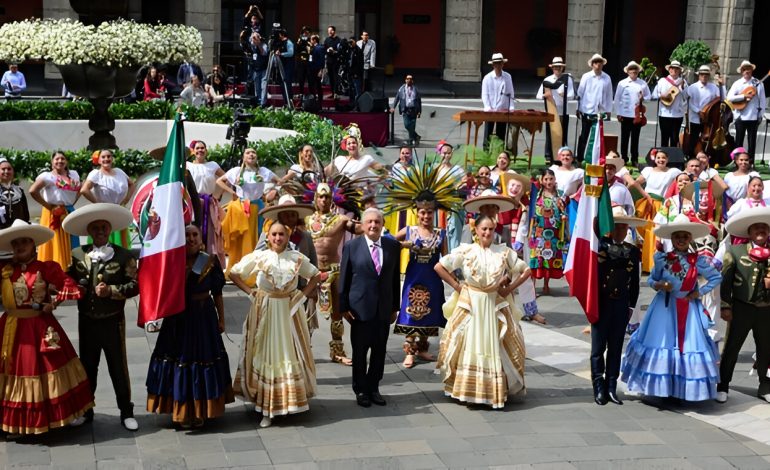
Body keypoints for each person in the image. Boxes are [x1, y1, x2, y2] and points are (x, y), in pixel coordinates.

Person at [0, 219, 93, 434]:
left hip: (39, 327)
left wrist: (54, 303)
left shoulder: (45, 268)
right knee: (10, 371)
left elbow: (69, 286)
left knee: (48, 369)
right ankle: (10, 419)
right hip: (11, 328)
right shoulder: (5, 271)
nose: (20, 246)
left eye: (24, 241)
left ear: (34, 244)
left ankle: (56, 415)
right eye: (16, 243)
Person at [621, 214, 721, 401]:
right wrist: (660, 285)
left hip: (688, 308)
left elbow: (716, 277)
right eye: (677, 237)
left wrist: (698, 293)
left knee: (687, 346)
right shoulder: (661, 258)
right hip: (664, 308)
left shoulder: (697, 260)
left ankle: (683, 390)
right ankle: (663, 388)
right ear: (672, 239)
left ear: (690, 238)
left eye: (685, 236)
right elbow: (652, 279)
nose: (681, 240)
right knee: (663, 343)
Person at [230, 222, 321, 427]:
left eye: (281, 234)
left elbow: (316, 275)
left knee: (288, 354)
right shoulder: (260, 256)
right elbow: (235, 273)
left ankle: (288, 402)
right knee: (267, 353)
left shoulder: (296, 258)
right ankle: (267, 408)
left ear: (287, 237)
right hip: (266, 312)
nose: (278, 238)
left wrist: (302, 295)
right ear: (268, 237)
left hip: (289, 312)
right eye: (274, 235)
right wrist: (250, 292)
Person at [435, 214, 529, 408]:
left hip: (492, 303)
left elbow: (526, 270)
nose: (487, 233)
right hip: (472, 304)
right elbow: (440, 266)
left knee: (494, 344)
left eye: (491, 229)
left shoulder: (502, 251)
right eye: (483, 229)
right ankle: (467, 389)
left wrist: (508, 289)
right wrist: (457, 285)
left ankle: (491, 390)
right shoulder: (467, 250)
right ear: (475, 230)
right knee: (468, 343)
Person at [146, 225, 234, 428]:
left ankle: (203, 410)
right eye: (187, 235)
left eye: (195, 234)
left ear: (201, 239)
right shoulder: (172, 260)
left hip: (203, 318)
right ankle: (181, 410)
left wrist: (221, 319)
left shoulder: (210, 261)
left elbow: (218, 293)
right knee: (179, 359)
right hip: (177, 319)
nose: (191, 238)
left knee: (203, 360)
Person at [63, 204, 140, 431]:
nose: (99, 231)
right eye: (95, 228)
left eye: (103, 228)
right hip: (86, 320)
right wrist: (76, 288)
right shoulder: (78, 254)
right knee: (88, 367)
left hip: (112, 320)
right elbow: (66, 279)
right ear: (89, 231)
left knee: (118, 367)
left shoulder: (124, 255)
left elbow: (135, 285)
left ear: (109, 230)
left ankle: (126, 411)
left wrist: (112, 291)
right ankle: (87, 411)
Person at [382, 158, 463, 369]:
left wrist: (455, 281)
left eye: (429, 212)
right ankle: (409, 351)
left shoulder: (440, 233)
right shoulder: (409, 230)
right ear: (417, 213)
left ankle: (424, 347)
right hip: (414, 277)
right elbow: (389, 242)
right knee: (411, 311)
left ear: (434, 213)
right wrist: (408, 244)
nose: (426, 216)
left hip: (433, 279)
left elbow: (446, 260)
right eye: (422, 212)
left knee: (431, 310)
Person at [339, 208, 401, 408]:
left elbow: (394, 279)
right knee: (359, 352)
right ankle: (361, 389)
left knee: (379, 351)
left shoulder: (392, 246)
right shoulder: (352, 246)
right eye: (370, 222)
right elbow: (344, 278)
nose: (373, 225)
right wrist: (343, 306)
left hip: (383, 308)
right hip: (359, 309)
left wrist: (395, 307)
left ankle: (374, 387)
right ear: (363, 225)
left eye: (377, 222)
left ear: (382, 224)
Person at [590, 205, 645, 405]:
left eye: (624, 228)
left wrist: (631, 305)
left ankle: (611, 386)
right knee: (598, 348)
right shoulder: (600, 246)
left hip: (621, 303)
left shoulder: (632, 251)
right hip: (602, 302)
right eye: (617, 227)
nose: (621, 231)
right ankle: (598, 386)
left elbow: (635, 281)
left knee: (615, 347)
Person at [717, 206, 770, 403]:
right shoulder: (736, 252)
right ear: (749, 232)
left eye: (763, 227)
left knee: (766, 349)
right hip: (742, 307)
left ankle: (765, 386)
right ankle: (723, 386)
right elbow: (725, 282)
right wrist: (725, 305)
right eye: (756, 228)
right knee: (732, 347)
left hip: (766, 310)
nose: (760, 231)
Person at [305, 182, 361, 365]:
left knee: (337, 313)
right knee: (305, 313)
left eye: (327, 196)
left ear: (332, 199)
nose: (323, 200)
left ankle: (337, 351)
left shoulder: (340, 220)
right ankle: (302, 350)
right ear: (315, 198)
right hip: (310, 272)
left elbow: (358, 229)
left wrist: (370, 221)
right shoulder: (306, 220)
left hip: (334, 270)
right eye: (320, 196)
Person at [257, 195, 318, 333]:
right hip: (276, 293)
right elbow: (257, 258)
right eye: (286, 215)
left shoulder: (305, 237)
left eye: (292, 215)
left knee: (300, 330)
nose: (290, 218)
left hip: (300, 291)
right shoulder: (269, 235)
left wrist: (312, 289)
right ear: (280, 217)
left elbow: (314, 263)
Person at [217, 148, 279, 276]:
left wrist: (274, 191)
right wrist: (232, 192)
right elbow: (219, 181)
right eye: (248, 153)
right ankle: (239, 271)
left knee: (258, 238)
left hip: (258, 207)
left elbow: (280, 181)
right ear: (243, 157)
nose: (251, 154)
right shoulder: (236, 171)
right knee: (241, 240)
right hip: (241, 208)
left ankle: (256, 272)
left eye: (254, 152)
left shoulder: (263, 172)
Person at [29, 151, 81, 270]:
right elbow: (33, 191)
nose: (60, 161)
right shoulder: (47, 176)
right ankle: (56, 270)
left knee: (71, 240)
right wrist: (49, 206)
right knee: (55, 241)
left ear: (66, 162)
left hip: (68, 210)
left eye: (62, 159)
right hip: (53, 212)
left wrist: (72, 203)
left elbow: (81, 188)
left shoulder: (73, 175)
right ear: (52, 163)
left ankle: (72, 270)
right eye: (57, 159)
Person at [633, 149, 682, 272]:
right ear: (654, 159)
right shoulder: (648, 170)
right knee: (648, 233)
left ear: (667, 160)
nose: (661, 160)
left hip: (662, 204)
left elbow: (684, 177)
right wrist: (646, 195)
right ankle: (647, 264)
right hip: (648, 203)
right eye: (658, 157)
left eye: (663, 158)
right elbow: (636, 183)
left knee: (658, 233)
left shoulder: (672, 172)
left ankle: (656, 264)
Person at [80, 149, 136, 247]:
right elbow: (84, 190)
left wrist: (125, 200)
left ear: (112, 158)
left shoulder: (119, 172)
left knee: (120, 240)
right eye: (103, 157)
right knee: (104, 235)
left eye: (109, 156)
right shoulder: (96, 174)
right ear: (99, 160)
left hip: (118, 210)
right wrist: (97, 203)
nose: (106, 159)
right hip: (103, 212)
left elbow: (132, 184)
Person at [529, 169, 568, 296]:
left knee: (550, 257)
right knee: (537, 257)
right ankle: (532, 286)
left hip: (554, 231)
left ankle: (546, 284)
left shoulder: (560, 194)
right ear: (542, 180)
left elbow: (563, 211)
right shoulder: (537, 194)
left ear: (555, 179)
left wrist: (563, 216)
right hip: (539, 231)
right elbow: (532, 212)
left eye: (551, 179)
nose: (548, 181)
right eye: (546, 179)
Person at [186, 140, 226, 266]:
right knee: (194, 229)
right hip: (193, 202)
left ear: (206, 150)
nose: (200, 150)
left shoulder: (212, 165)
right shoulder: (188, 165)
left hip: (208, 203)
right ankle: (192, 262)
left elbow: (226, 178)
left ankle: (210, 262)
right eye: (197, 148)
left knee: (210, 233)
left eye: (202, 148)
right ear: (193, 151)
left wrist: (218, 195)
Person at [537, 56, 575, 163]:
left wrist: (564, 95)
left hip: (563, 111)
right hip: (551, 110)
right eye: (555, 67)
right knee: (550, 134)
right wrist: (547, 95)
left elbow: (572, 95)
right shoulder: (547, 80)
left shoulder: (567, 79)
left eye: (559, 67)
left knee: (563, 134)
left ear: (562, 68)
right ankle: (548, 155)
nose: (557, 69)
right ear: (552, 68)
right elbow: (539, 95)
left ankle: (563, 155)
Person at [577, 54, 613, 161]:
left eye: (600, 62)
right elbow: (580, 93)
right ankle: (580, 158)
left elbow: (609, 95)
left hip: (600, 111)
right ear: (592, 64)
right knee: (584, 135)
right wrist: (578, 108)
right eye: (596, 62)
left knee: (598, 136)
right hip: (587, 109)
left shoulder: (607, 77)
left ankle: (595, 158)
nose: (598, 65)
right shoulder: (586, 76)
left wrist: (608, 110)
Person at [614, 61, 651, 165]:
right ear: (628, 71)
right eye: (631, 69)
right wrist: (618, 113)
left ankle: (634, 158)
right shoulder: (622, 83)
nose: (633, 71)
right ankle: (624, 158)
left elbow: (649, 96)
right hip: (625, 114)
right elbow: (617, 99)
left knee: (635, 137)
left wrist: (643, 98)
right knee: (624, 137)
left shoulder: (643, 83)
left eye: (635, 69)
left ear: (638, 71)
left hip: (637, 114)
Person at [727, 60, 766, 161]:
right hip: (740, 116)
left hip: (753, 116)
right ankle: (736, 161)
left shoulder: (758, 83)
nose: (746, 71)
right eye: (744, 69)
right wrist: (743, 96)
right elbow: (729, 98)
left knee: (751, 141)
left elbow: (762, 100)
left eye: (748, 69)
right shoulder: (737, 83)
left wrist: (760, 115)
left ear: (751, 70)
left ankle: (751, 162)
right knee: (738, 141)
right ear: (742, 71)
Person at [685, 65, 725, 158]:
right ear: (699, 75)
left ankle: (706, 157)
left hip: (709, 118)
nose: (704, 77)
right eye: (702, 75)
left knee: (708, 138)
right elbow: (689, 102)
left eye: (706, 75)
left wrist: (722, 86)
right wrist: (698, 112)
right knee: (694, 138)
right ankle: (691, 157)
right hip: (695, 116)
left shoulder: (713, 87)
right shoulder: (692, 87)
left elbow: (722, 98)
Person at [437, 142, 468, 251]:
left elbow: (465, 185)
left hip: (454, 205)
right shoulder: (435, 169)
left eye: (448, 153)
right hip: (439, 205)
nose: (446, 156)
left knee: (454, 232)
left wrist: (462, 185)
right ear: (439, 153)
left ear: (452, 154)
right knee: (439, 232)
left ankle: (453, 255)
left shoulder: (458, 170)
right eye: (444, 153)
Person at [549, 146, 584, 235]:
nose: (565, 157)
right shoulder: (553, 169)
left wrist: (575, 195)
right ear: (559, 157)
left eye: (568, 155)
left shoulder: (579, 172)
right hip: (554, 201)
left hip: (569, 203)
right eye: (563, 155)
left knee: (570, 227)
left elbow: (584, 186)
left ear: (572, 158)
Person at [481, 53, 515, 144]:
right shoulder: (487, 78)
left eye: (500, 63)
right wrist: (487, 107)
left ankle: (500, 154)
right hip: (490, 109)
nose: (498, 65)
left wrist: (511, 106)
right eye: (496, 64)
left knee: (501, 134)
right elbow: (484, 95)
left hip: (502, 109)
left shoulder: (508, 77)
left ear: (502, 64)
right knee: (488, 134)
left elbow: (511, 93)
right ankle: (486, 153)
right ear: (493, 65)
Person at [652, 60, 687, 148]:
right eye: (672, 68)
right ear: (669, 69)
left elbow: (686, 96)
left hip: (677, 114)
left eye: (676, 69)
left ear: (679, 70)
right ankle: (663, 158)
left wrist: (682, 88)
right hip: (664, 114)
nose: (674, 70)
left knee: (674, 139)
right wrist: (662, 96)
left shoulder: (683, 82)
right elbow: (654, 95)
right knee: (664, 138)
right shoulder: (662, 81)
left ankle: (672, 160)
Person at [724, 148, 760, 213]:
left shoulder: (753, 175)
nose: (743, 162)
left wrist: (743, 204)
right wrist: (729, 206)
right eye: (741, 160)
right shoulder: (729, 176)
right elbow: (725, 192)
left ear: (749, 161)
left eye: (746, 160)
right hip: (729, 206)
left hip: (746, 206)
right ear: (736, 161)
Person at [390, 75, 422, 146]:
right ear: (405, 80)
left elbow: (419, 101)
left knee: (412, 126)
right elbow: (397, 98)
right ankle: (416, 136)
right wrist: (393, 107)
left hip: (414, 110)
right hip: (405, 110)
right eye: (407, 79)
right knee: (407, 125)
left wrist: (419, 111)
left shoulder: (415, 89)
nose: (409, 80)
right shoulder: (401, 89)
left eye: (410, 79)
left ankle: (410, 141)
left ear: (412, 81)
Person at [0, 158, 29, 230]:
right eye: (3, 169)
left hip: (18, 229)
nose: (6, 171)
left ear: (13, 172)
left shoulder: (19, 190)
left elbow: (25, 213)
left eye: (9, 169)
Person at [247, 32, 269, 105]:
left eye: (255, 38)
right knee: (257, 87)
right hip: (255, 69)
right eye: (253, 38)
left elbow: (264, 53)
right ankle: (258, 101)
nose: (254, 40)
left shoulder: (263, 45)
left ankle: (263, 103)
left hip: (263, 69)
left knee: (263, 86)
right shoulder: (252, 46)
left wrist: (259, 44)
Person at [324, 26, 341, 98]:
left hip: (336, 61)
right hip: (329, 61)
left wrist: (334, 52)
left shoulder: (339, 40)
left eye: (330, 31)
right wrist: (327, 50)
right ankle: (332, 92)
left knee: (335, 77)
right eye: (328, 31)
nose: (329, 32)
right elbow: (324, 49)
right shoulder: (327, 40)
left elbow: (340, 51)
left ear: (334, 31)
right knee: (330, 77)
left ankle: (336, 93)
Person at [295, 26, 313, 98]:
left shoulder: (311, 40)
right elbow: (296, 50)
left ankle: (311, 93)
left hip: (309, 62)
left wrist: (310, 46)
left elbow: (312, 51)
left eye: (307, 32)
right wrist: (298, 44)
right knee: (301, 78)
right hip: (301, 61)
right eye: (304, 32)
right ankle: (301, 92)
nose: (305, 34)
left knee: (310, 78)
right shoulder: (299, 40)